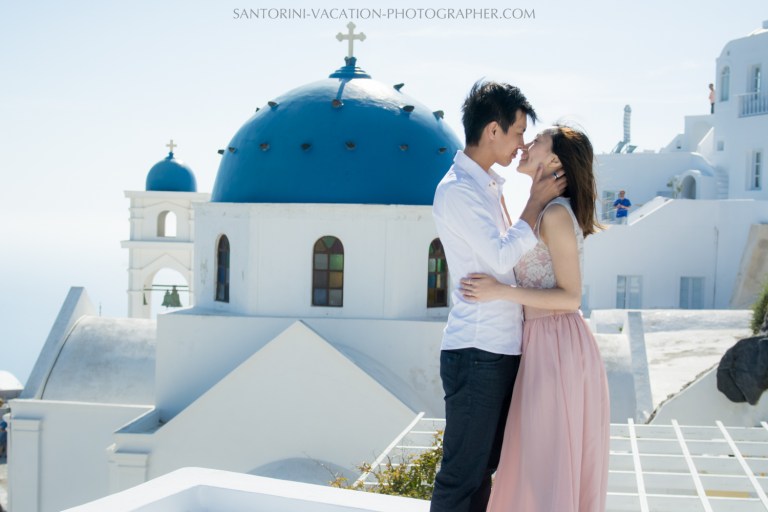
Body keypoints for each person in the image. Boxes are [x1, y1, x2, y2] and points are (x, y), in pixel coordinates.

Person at [430, 81, 566, 512]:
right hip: (476, 349)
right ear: (492, 130)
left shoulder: (486, 185)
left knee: (483, 473)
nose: (521, 143)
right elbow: (501, 254)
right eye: (517, 132)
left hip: (499, 348)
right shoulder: (458, 191)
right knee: (461, 476)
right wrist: (536, 201)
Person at [460, 125, 610, 512]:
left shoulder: (556, 214)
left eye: (537, 140)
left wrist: (500, 291)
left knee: (545, 466)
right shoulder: (539, 209)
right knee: (533, 464)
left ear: (555, 160)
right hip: (539, 342)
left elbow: (571, 296)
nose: (526, 145)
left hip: (558, 345)